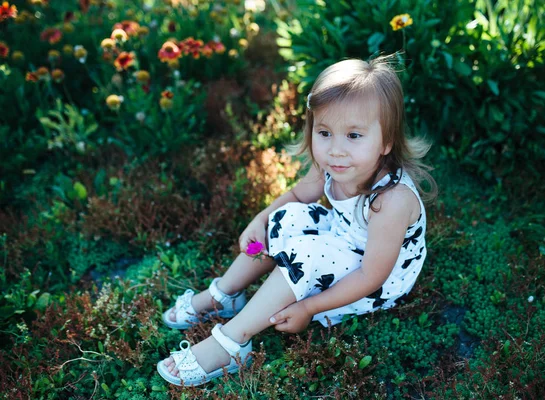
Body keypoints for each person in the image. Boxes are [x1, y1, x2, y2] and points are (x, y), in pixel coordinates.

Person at [157, 55, 438, 386]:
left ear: (386, 141)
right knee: (285, 217)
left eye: (354, 136)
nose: (335, 149)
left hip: (375, 277)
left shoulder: (391, 201)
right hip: (342, 237)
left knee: (307, 252)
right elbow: (295, 197)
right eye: (324, 132)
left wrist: (309, 308)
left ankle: (233, 340)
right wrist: (260, 220)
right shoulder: (333, 164)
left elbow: (371, 276)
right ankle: (226, 293)